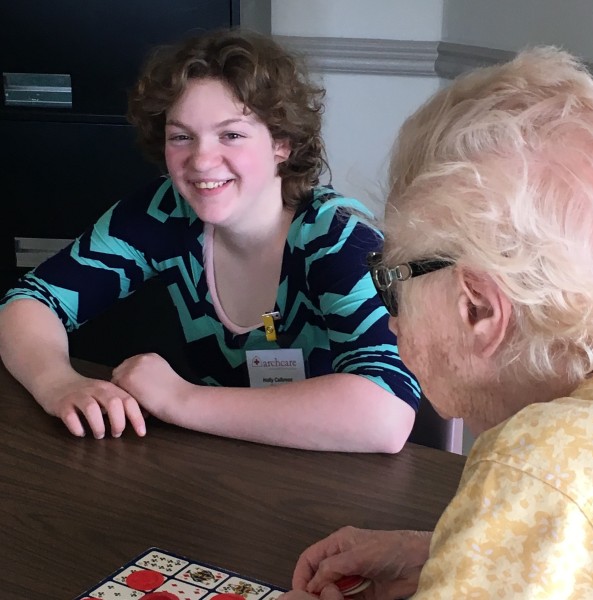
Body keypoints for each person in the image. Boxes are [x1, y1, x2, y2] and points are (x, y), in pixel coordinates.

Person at [0, 29, 420, 452]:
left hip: (336, 471)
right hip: (218, 462)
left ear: (281, 143)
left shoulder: (338, 237)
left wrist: (179, 399)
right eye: (181, 136)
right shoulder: (165, 212)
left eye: (231, 135)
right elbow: (30, 301)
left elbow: (386, 415)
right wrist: (57, 383)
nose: (201, 161)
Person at [283, 46, 593, 599]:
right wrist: (446, 552)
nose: (390, 318)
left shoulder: (534, 461)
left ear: (478, 309)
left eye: (391, 280)